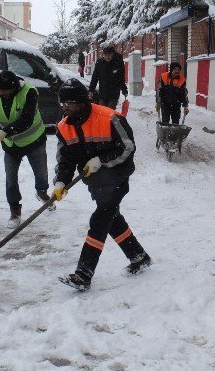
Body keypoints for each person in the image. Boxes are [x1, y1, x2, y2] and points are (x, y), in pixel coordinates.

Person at [52, 78, 150, 291]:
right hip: (95, 182)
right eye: (63, 104)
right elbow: (65, 159)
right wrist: (61, 181)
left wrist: (100, 161)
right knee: (112, 220)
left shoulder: (109, 118)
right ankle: (138, 256)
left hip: (117, 177)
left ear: (81, 102)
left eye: (69, 104)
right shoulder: (64, 126)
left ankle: (83, 274)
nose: (65, 108)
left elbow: (127, 148)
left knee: (99, 220)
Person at [0, 70, 51, 224]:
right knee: (11, 179)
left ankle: (42, 192)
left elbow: (27, 119)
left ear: (15, 87)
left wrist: (5, 131)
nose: (3, 94)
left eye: (6, 91)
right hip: (11, 145)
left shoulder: (29, 92)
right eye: (1, 91)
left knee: (41, 174)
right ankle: (15, 211)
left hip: (34, 141)